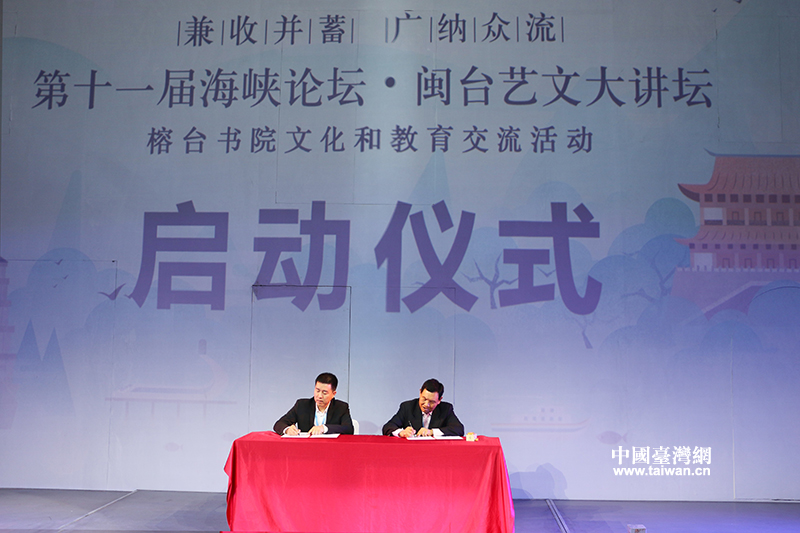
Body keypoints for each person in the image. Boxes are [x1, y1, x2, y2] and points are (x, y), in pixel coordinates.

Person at [273, 372, 354, 435]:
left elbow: (348, 429)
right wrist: (287, 430)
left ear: (333, 394)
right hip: (306, 448)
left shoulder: (341, 407)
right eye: (317, 391)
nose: (320, 396)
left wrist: (324, 428)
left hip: (330, 448)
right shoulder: (302, 405)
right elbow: (279, 424)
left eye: (324, 393)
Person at [382, 378, 464, 437]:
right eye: (424, 399)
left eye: (432, 402)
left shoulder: (446, 409)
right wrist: (401, 432)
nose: (426, 405)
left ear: (439, 400)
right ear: (420, 393)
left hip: (436, 450)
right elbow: (388, 427)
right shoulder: (407, 407)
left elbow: (459, 429)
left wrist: (432, 432)